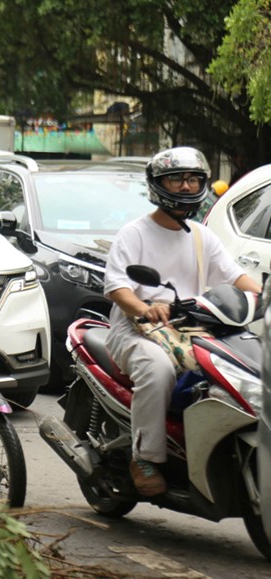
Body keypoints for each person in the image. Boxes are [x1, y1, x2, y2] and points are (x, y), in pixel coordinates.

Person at [103, 147, 261, 497]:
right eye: (177, 178)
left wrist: (262, 297)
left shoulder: (203, 236)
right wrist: (144, 308)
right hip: (135, 331)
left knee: (239, 368)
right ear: (158, 185)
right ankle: (144, 457)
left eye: (194, 179)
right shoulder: (135, 233)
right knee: (157, 371)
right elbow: (117, 287)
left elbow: (237, 277)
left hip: (191, 331)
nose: (187, 186)